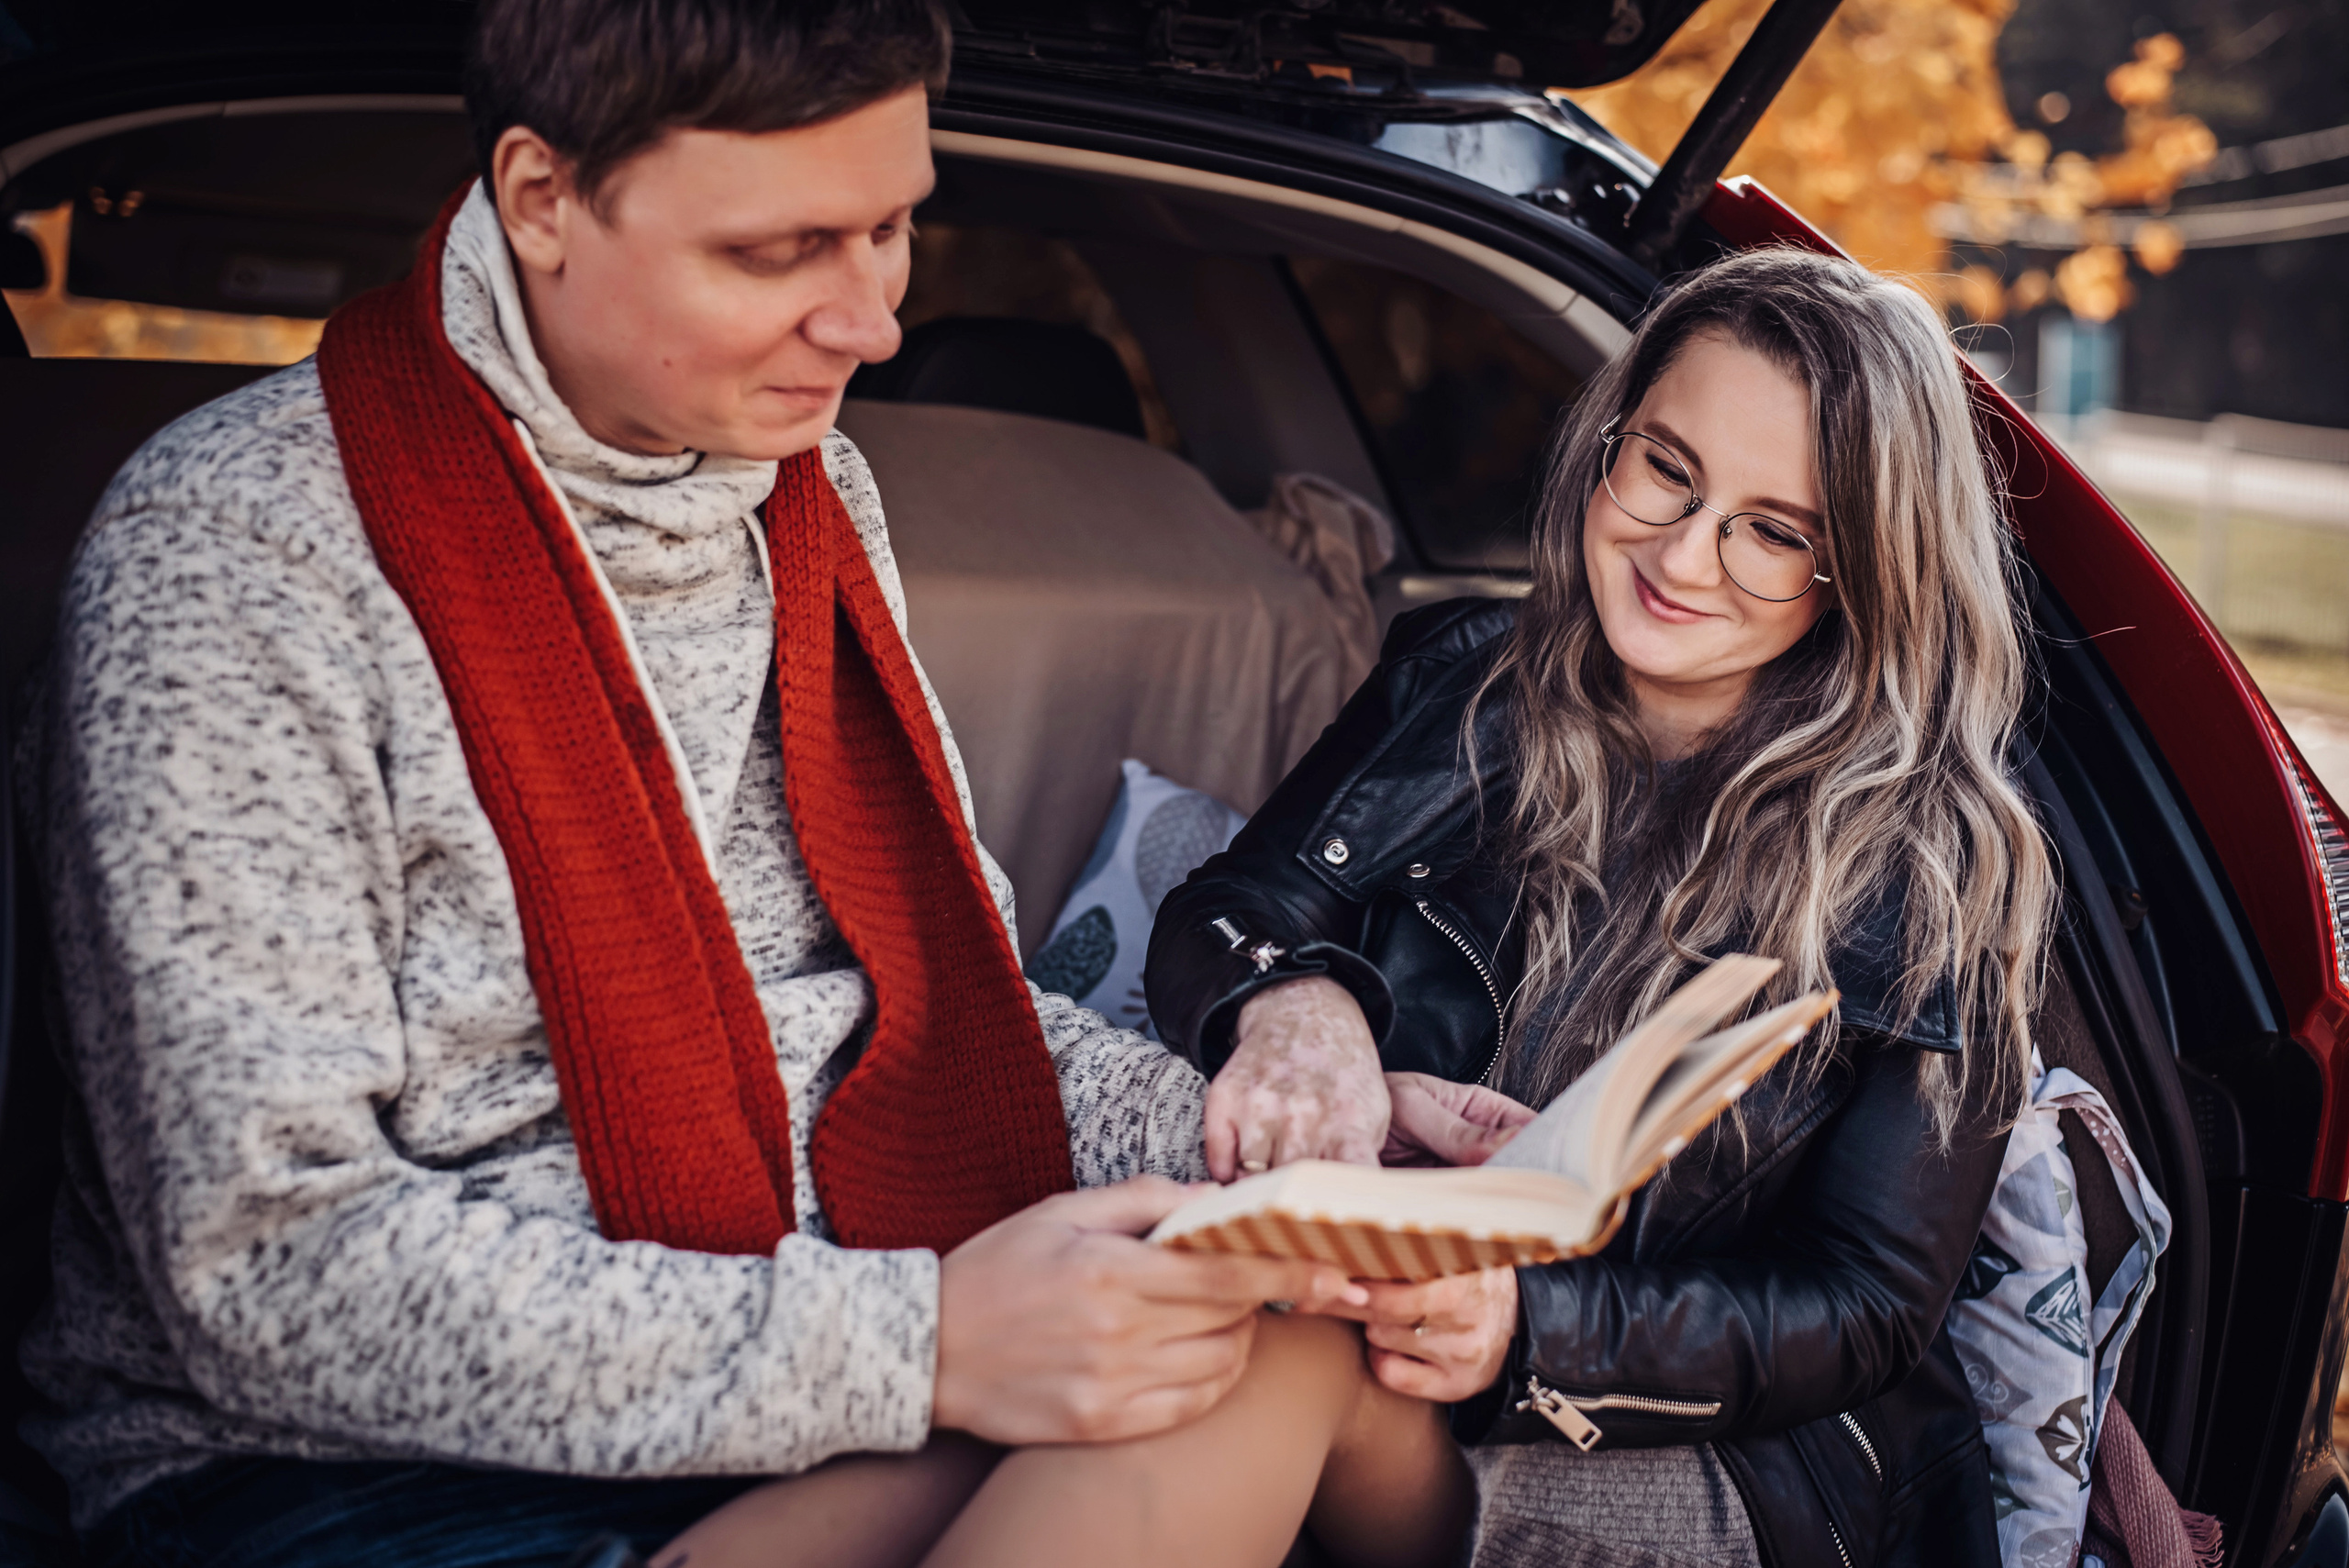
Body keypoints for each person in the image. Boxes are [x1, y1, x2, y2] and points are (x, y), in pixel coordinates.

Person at [18, 1, 1478, 1563]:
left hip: (796, 1340)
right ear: (541, 199)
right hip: (324, 1474)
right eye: (780, 252)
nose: (871, 324)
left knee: (1269, 1338)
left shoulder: (804, 495)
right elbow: (274, 1270)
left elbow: (937, 1018)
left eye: (893, 230)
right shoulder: (229, 561)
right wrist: (921, 1343)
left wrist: (1271, 1147)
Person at [1146, 246, 2060, 1568]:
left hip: (1711, 1449)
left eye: (1774, 530)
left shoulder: (1944, 865)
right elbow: (1236, 905)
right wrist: (1301, 1004)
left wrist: (1525, 1328)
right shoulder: (1465, 678)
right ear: (1609, 444)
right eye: (1668, 471)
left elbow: (1862, 1303)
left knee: (1243, 1367)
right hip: (1365, 1308)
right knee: (1148, 1336)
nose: (1683, 555)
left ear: (1859, 567)